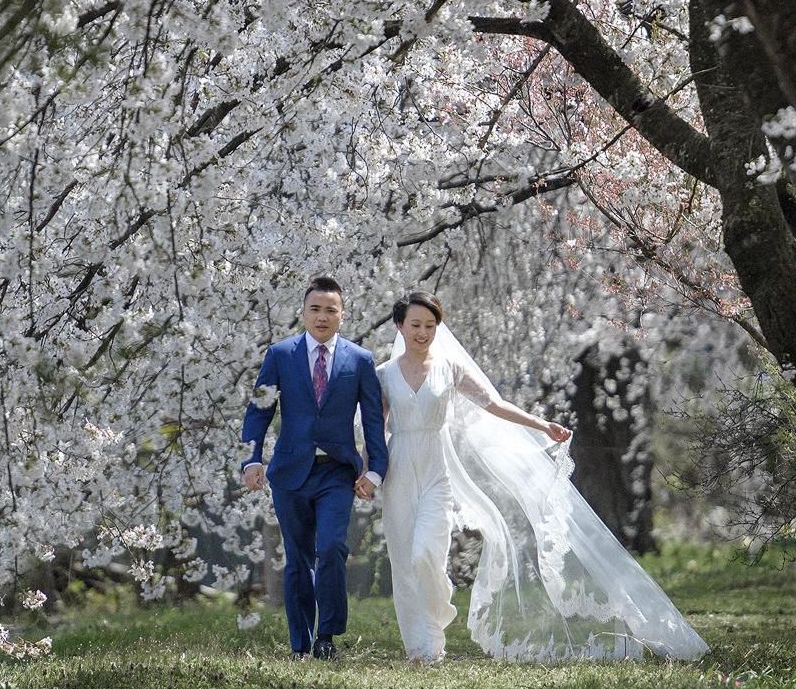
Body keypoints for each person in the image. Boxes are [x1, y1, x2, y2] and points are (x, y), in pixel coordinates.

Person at [378, 291, 708, 664]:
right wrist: (366, 471)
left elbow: (494, 403)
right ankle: (420, 649)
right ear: (400, 327)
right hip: (399, 469)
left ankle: (435, 622)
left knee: (426, 554)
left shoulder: (450, 367)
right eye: (415, 325)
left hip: (437, 471)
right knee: (404, 563)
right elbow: (377, 428)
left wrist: (541, 425)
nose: (423, 333)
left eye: (430, 326)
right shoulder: (384, 375)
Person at [240, 277, 388, 661]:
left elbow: (373, 420)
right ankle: (299, 644)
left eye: (331, 310)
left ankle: (327, 636)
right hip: (291, 471)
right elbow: (259, 409)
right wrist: (252, 458)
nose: (323, 317)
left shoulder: (360, 360)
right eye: (316, 309)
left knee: (333, 547)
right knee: (298, 558)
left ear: (342, 315)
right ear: (303, 313)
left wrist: (375, 471)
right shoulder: (280, 354)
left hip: (337, 472)